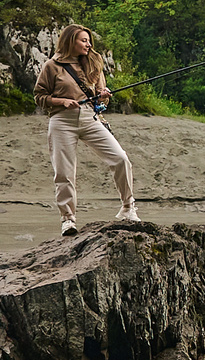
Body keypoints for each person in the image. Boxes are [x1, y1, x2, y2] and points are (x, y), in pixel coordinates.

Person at [35, 24, 140, 236]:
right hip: (61, 121)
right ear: (70, 41)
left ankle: (128, 208)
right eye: (84, 40)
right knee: (64, 172)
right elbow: (39, 97)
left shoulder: (93, 63)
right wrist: (62, 101)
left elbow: (101, 95)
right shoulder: (52, 66)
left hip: (90, 118)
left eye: (88, 40)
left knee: (120, 159)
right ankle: (68, 220)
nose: (88, 44)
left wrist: (103, 95)